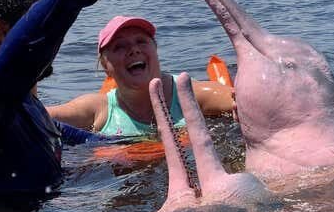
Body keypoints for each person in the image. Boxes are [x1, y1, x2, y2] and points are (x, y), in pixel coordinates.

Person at [0, 0, 134, 197]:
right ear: (3, 32)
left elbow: (81, 139)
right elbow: (7, 73)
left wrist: (150, 147)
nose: (56, 36)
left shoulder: (25, 106)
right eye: (36, 17)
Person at [47, 15, 233, 137]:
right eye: (119, 46)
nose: (134, 50)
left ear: (155, 49)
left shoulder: (187, 93)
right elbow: (32, 115)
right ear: (105, 66)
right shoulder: (99, 109)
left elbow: (238, 99)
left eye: (141, 41)